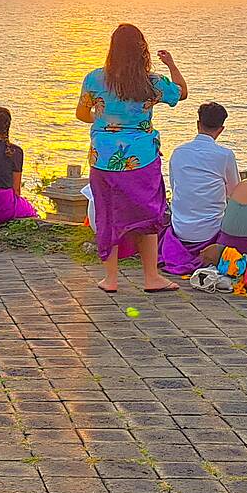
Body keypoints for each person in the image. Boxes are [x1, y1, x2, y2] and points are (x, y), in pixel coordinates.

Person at [77, 24, 187, 293]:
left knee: (108, 214)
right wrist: (171, 64)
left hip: (103, 159)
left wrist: (105, 121)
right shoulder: (151, 82)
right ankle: (151, 277)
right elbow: (181, 92)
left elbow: (81, 114)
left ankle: (111, 279)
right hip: (142, 158)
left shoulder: (95, 79)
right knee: (148, 213)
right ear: (142, 51)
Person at [159, 102, 239, 276]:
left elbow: (175, 186)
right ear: (221, 129)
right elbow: (234, 192)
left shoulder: (178, 152)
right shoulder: (225, 155)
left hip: (180, 227)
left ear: (197, 124)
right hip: (210, 230)